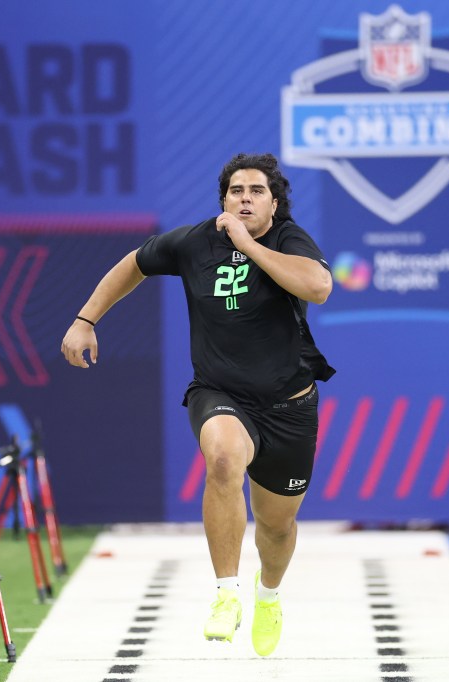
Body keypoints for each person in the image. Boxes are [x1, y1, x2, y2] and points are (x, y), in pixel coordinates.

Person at [61, 153, 334, 657]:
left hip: (289, 406)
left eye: (256, 191)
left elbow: (318, 287)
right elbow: (134, 264)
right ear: (224, 199)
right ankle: (227, 594)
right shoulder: (195, 241)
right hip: (220, 392)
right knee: (224, 457)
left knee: (276, 528)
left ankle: (268, 596)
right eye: (236, 190)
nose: (245, 198)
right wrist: (86, 320)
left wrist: (248, 246)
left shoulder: (288, 239)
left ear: (275, 203)